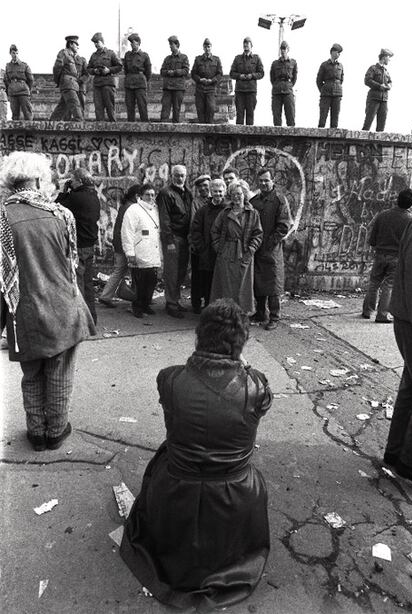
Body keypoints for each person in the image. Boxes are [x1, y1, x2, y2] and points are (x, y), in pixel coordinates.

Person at [120, 297, 273, 611]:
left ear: (199, 336)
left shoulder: (170, 379)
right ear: (241, 345)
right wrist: (241, 364)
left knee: (166, 457)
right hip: (236, 495)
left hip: (175, 488)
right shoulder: (256, 388)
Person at [0, 152, 95, 452]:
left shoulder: (2, 217)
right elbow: (72, 265)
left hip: (22, 311)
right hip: (61, 306)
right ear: (39, 179)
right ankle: (55, 430)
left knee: (31, 374)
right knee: (60, 371)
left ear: (10, 181)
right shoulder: (61, 215)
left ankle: (36, 431)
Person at [383, 213, 412, 482]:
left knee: (409, 386)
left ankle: (395, 454)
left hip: (406, 314)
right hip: (410, 317)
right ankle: (408, 463)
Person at [210, 180, 263, 314]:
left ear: (244, 194)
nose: (237, 197)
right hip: (226, 251)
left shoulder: (252, 213)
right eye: (233, 194)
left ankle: (241, 313)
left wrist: (251, 250)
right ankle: (225, 313)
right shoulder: (225, 213)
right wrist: (218, 247)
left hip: (244, 252)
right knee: (225, 285)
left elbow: (258, 234)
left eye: (239, 194)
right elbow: (214, 231)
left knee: (242, 286)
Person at [56, 168, 101, 324]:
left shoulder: (75, 198)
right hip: (89, 245)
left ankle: (81, 321)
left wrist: (64, 191)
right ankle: (91, 319)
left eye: (72, 180)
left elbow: (57, 206)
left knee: (78, 283)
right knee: (88, 283)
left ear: (80, 181)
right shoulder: (94, 195)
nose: (70, 182)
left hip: (79, 246)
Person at [362, 189, 412, 323]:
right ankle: (382, 314)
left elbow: (373, 237)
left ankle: (367, 311)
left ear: (397, 200)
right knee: (389, 285)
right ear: (411, 204)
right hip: (396, 256)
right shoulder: (410, 220)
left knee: (374, 282)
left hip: (380, 253)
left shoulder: (383, 215)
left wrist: (376, 246)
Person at [250, 169, 291, 330]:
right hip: (257, 249)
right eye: (260, 180)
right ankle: (260, 313)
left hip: (272, 249)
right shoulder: (254, 201)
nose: (263, 183)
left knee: (274, 284)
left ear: (273, 180)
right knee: (258, 282)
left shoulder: (280, 200)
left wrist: (269, 242)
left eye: (266, 180)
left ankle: (274, 316)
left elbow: (284, 226)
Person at [156, 164, 193, 318]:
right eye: (177, 175)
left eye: (182, 175)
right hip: (173, 238)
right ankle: (171, 303)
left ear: (186, 176)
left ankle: (175, 300)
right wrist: (169, 241)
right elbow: (164, 219)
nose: (180, 178)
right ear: (171, 176)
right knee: (172, 272)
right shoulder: (166, 193)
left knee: (181, 271)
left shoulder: (187, 193)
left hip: (185, 238)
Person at [121, 183, 161, 318]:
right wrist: (130, 253)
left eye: (152, 195)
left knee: (152, 281)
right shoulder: (133, 210)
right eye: (147, 195)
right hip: (140, 252)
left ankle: (145, 304)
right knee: (139, 282)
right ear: (141, 196)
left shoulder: (155, 209)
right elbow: (127, 232)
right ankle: (137, 306)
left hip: (153, 252)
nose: (150, 197)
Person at [99, 186, 138, 308]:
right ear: (136, 195)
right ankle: (138, 297)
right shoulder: (131, 208)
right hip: (125, 245)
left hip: (120, 244)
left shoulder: (125, 206)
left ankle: (106, 296)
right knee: (135, 271)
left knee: (119, 270)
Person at [191, 177, 226, 308]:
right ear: (211, 192)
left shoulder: (228, 209)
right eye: (215, 191)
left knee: (221, 282)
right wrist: (202, 248)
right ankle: (207, 309)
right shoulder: (203, 211)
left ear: (224, 192)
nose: (218, 194)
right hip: (206, 253)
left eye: (220, 191)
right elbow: (195, 231)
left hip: (222, 253)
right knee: (206, 282)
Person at [87, 32, 122, 122]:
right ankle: (100, 129)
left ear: (102, 42)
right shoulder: (93, 55)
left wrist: (109, 70)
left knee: (110, 106)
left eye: (97, 42)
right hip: (97, 84)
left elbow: (119, 66)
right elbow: (88, 68)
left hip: (108, 83)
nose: (96, 45)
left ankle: (113, 127)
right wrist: (94, 71)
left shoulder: (110, 53)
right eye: (94, 43)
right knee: (98, 107)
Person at [230, 37, 264, 125]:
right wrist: (239, 76)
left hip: (251, 91)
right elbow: (232, 73)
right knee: (239, 115)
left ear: (251, 46)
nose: (245, 46)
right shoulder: (237, 58)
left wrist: (252, 76)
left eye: (247, 44)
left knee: (250, 114)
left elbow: (261, 73)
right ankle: (238, 138)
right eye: (244, 44)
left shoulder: (256, 58)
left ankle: (249, 139)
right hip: (240, 91)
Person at [190, 174, 211, 313]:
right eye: (200, 186)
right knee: (197, 275)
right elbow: (193, 223)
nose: (203, 188)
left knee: (209, 276)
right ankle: (196, 303)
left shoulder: (215, 199)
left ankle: (208, 302)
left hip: (211, 244)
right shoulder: (196, 202)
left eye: (205, 185)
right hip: (199, 244)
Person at [51, 36, 84, 121]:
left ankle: (51, 124)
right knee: (75, 105)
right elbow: (57, 67)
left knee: (62, 108)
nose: (78, 47)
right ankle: (80, 124)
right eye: (76, 44)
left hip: (72, 85)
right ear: (71, 44)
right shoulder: (64, 53)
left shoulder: (73, 56)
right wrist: (59, 81)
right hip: (68, 84)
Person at [191, 38, 223, 124]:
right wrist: (200, 79)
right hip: (200, 89)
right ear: (203, 47)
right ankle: (202, 134)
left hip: (211, 89)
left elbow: (220, 74)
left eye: (208, 46)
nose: (207, 49)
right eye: (205, 47)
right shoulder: (198, 59)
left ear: (211, 47)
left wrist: (212, 80)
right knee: (200, 110)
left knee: (211, 108)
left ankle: (209, 135)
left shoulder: (216, 60)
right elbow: (193, 73)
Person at [362, 48, 393, 132]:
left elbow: (390, 81)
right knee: (368, 122)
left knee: (381, 126)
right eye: (388, 57)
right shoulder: (373, 68)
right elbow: (367, 80)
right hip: (374, 99)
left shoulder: (386, 71)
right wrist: (379, 86)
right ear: (384, 57)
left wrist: (389, 85)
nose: (389, 60)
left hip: (384, 100)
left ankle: (379, 145)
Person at [160, 36, 190, 123]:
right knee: (165, 109)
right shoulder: (167, 59)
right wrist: (168, 72)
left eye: (171, 45)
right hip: (168, 88)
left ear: (177, 45)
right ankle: (162, 129)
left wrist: (175, 72)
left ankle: (175, 130)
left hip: (178, 88)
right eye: (169, 45)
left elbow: (186, 70)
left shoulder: (184, 57)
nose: (170, 46)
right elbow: (162, 71)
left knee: (176, 110)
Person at [123, 33, 152, 122]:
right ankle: (131, 126)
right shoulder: (127, 55)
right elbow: (126, 70)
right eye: (131, 43)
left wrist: (142, 79)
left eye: (133, 43)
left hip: (140, 83)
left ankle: (145, 125)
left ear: (138, 43)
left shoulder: (144, 55)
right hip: (129, 83)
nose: (131, 45)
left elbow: (148, 72)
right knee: (130, 106)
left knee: (142, 105)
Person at [270, 40, 298, 127]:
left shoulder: (293, 62)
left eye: (284, 48)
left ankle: (292, 139)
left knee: (290, 115)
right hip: (277, 90)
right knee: (276, 116)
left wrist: (288, 85)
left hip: (288, 90)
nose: (283, 50)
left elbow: (294, 78)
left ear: (288, 49)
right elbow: (272, 78)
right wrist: (277, 85)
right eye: (281, 49)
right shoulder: (275, 63)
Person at [316, 43, 344, 128]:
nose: (339, 54)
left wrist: (336, 87)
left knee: (335, 119)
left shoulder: (340, 66)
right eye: (337, 52)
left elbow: (341, 79)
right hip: (326, 94)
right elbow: (318, 80)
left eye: (339, 53)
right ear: (332, 52)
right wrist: (324, 90)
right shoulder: (324, 65)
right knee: (323, 117)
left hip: (337, 94)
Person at [4, 44, 33, 120]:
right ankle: (16, 132)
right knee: (15, 114)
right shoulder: (8, 66)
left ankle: (30, 131)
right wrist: (9, 89)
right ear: (10, 54)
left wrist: (27, 89)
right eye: (13, 53)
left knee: (27, 113)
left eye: (17, 53)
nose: (15, 55)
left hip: (23, 91)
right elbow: (6, 80)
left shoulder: (24, 65)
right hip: (12, 92)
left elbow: (30, 79)